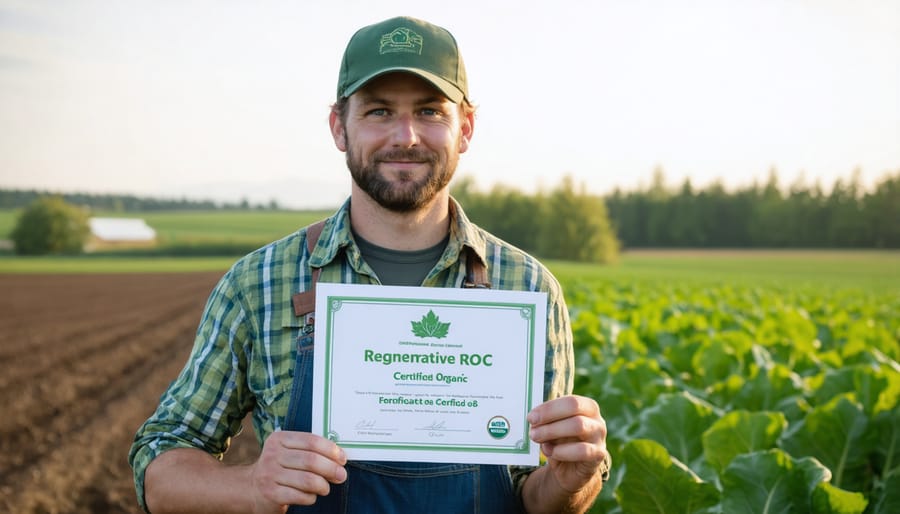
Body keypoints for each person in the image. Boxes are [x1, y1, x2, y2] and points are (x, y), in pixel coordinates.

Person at [129, 15, 610, 514]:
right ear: (340, 126)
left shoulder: (528, 289)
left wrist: (571, 482)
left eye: (429, 111)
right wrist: (251, 484)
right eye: (379, 112)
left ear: (464, 128)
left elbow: (536, 498)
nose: (406, 136)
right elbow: (159, 462)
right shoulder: (259, 283)